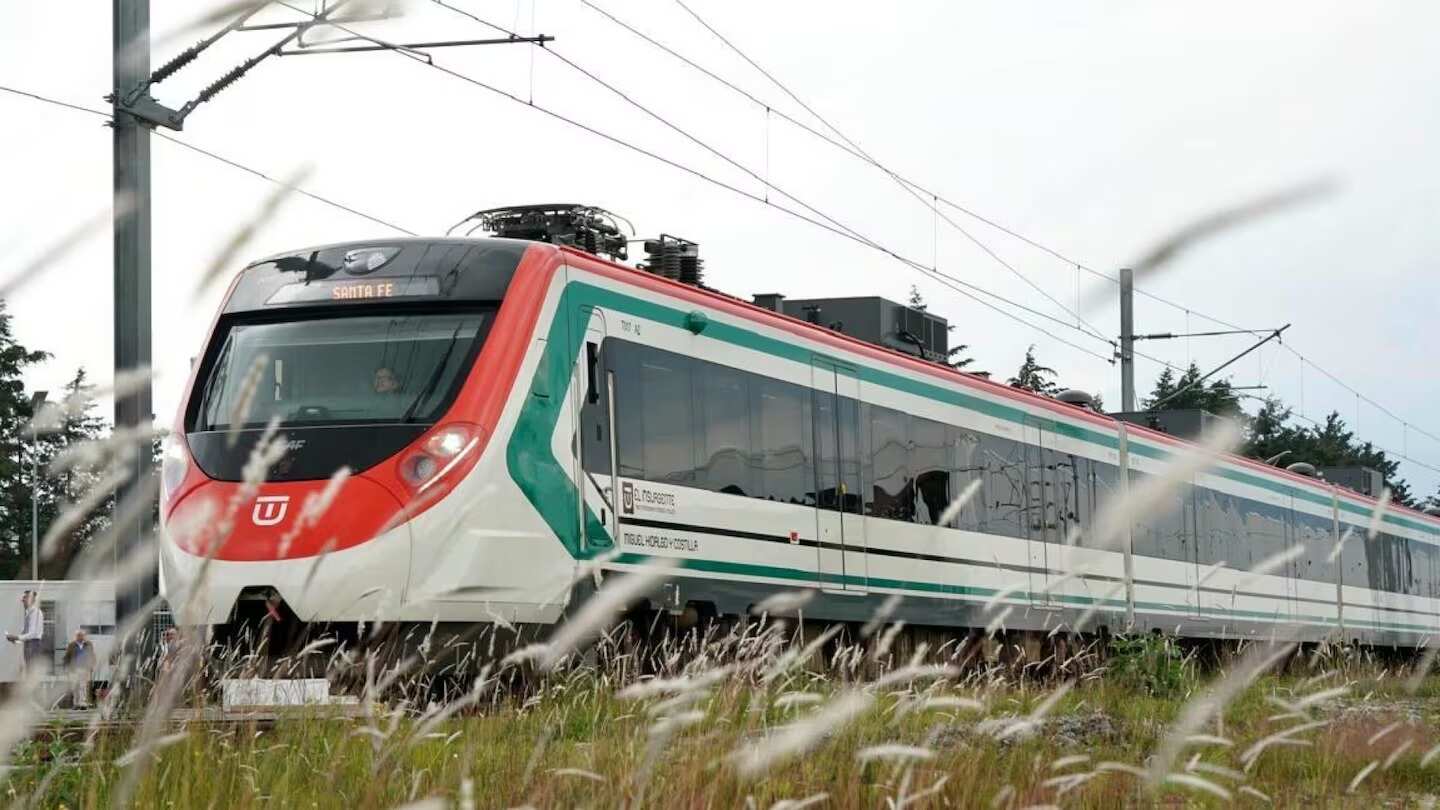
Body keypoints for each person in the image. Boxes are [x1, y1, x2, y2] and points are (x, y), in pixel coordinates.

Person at [4, 590, 45, 678]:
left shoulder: (36, 613)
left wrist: (16, 637)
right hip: (29, 645)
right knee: (29, 672)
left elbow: (33, 634)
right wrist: (14, 640)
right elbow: (25, 636)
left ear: (32, 599)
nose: (22, 600)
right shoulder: (28, 613)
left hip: (34, 646)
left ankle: (34, 690)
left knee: (32, 673)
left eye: (25, 598)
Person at [62, 628, 95, 709]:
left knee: (83, 686)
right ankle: (76, 703)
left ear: (84, 636)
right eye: (78, 635)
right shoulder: (72, 645)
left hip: (84, 668)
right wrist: (66, 667)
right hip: (74, 669)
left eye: (82, 635)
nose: (80, 637)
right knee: (75, 686)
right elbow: (67, 657)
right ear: (76, 636)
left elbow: (92, 655)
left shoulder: (88, 644)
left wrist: (92, 666)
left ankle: (82, 703)